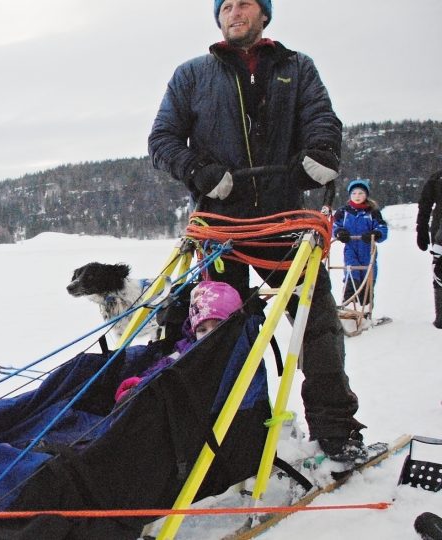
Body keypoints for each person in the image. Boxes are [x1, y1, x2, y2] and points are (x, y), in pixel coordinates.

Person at [147, 0, 367, 461]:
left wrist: (322, 151)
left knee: (317, 329)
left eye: (244, 3)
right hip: (220, 228)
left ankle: (335, 428)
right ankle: (226, 436)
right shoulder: (191, 75)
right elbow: (162, 140)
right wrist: (199, 170)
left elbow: (322, 120)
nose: (234, 11)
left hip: (285, 223)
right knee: (217, 334)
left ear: (264, 13)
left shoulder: (297, 68)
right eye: (225, 6)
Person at [115, 281, 243, 402]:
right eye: (202, 329)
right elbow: (165, 365)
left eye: (218, 325)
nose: (209, 334)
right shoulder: (187, 347)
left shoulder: (236, 351)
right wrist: (140, 383)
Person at [332, 178, 389, 306]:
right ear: (350, 195)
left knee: (367, 276)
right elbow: (334, 226)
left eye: (361, 193)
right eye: (354, 193)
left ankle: (366, 308)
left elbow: (382, 228)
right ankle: (347, 304)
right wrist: (339, 232)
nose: (357, 196)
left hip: (368, 250)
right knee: (352, 273)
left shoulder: (372, 212)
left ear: (366, 195)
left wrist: (375, 233)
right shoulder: (344, 211)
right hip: (351, 247)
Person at [416, 170, 442, 329]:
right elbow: (425, 204)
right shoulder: (437, 178)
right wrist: (422, 229)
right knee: (439, 271)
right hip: (439, 231)